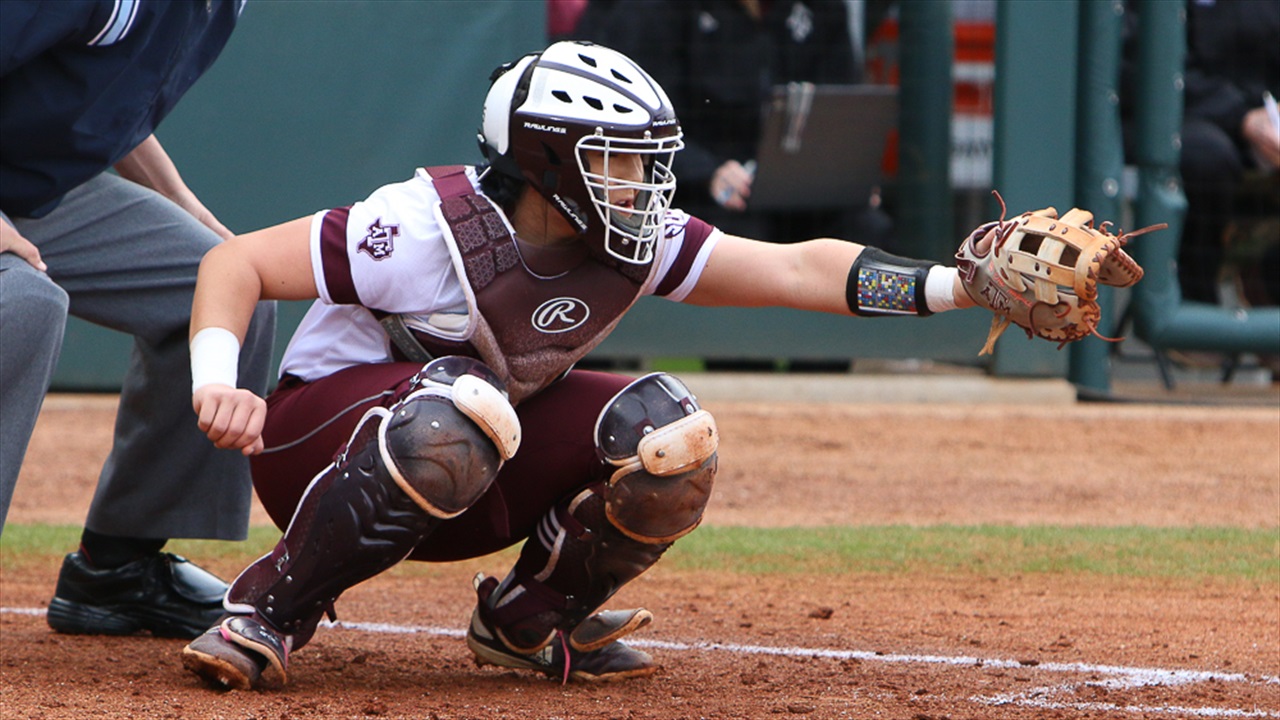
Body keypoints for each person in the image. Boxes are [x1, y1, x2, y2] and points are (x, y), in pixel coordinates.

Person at [178, 40, 976, 691]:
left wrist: (954, 286)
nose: (646, 185)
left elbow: (798, 270)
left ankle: (527, 620)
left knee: (670, 434)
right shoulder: (424, 227)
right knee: (464, 400)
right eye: (622, 162)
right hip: (309, 453)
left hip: (468, 466)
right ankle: (266, 613)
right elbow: (235, 263)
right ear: (550, 162)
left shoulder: (637, 236)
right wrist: (217, 381)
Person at [0, 0, 277, 640]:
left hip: (32, 194)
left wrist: (182, 203)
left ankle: (117, 571)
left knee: (225, 280)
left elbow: (108, 99)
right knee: (24, 303)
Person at [573, 0, 897, 248]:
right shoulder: (658, 9)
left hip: (799, 197)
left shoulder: (821, 9)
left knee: (867, 230)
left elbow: (841, 107)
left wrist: (846, 175)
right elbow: (634, 117)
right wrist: (708, 172)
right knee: (740, 240)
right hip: (697, 194)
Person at [1173, 0, 1279, 305]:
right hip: (1192, 117)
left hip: (1267, 120)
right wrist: (1243, 117)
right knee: (1207, 158)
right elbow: (1142, 60)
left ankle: (1269, 284)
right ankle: (1195, 306)